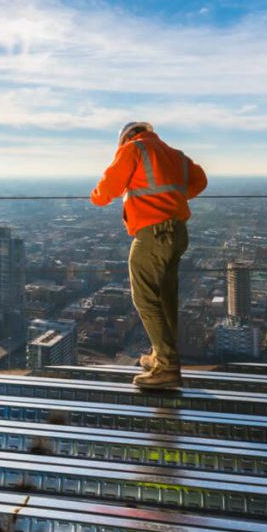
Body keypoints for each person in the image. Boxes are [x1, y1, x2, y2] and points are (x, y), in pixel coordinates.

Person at [90, 122, 207, 389]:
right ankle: (160, 355)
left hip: (153, 234)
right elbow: (201, 180)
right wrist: (173, 197)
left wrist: (96, 197)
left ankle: (166, 368)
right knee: (166, 297)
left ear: (126, 137)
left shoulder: (133, 149)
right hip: (177, 233)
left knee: (145, 298)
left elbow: (109, 187)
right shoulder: (174, 154)